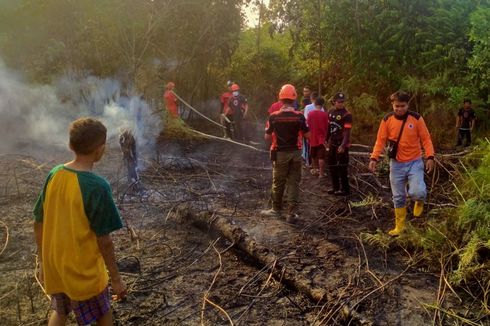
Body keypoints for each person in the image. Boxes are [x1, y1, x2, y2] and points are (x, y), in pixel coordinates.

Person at [33, 118, 127, 326]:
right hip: (83, 272)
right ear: (100, 150)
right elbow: (105, 241)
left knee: (60, 312)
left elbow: (38, 221)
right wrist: (116, 279)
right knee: (103, 313)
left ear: (70, 145)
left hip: (56, 266)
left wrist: (42, 261)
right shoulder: (97, 186)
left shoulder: (54, 174)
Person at [368, 91, 435, 236]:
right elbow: (380, 141)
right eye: (396, 106)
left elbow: (426, 139)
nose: (399, 109)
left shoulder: (416, 119)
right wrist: (374, 158)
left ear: (407, 105)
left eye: (402, 106)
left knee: (417, 191)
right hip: (396, 163)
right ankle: (400, 226)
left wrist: (430, 157)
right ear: (392, 104)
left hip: (414, 162)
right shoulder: (387, 120)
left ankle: (419, 200)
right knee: (398, 197)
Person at [261, 84, 310, 223]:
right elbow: (309, 135)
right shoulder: (300, 116)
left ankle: (276, 210)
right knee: (293, 182)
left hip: (280, 152)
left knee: (278, 181)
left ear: (280, 99)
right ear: (294, 98)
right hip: (295, 152)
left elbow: (267, 136)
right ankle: (291, 214)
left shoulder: (273, 117)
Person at [326, 92, 352, 196]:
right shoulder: (330, 112)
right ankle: (335, 187)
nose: (341, 104)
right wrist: (326, 139)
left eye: (342, 102)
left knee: (342, 167)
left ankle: (345, 189)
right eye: (339, 102)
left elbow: (347, 131)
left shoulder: (347, 114)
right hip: (332, 142)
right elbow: (329, 127)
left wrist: (343, 145)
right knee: (332, 166)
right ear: (334, 102)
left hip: (341, 143)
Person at [307, 97, 329, 178]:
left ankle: (315, 170)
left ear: (315, 104)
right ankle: (321, 173)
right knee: (321, 156)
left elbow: (308, 125)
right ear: (322, 105)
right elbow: (327, 127)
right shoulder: (325, 114)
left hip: (312, 138)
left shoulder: (310, 114)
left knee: (313, 155)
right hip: (321, 138)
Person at [302, 91, 320, 171]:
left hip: (309, 130)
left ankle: (308, 163)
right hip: (319, 130)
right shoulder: (321, 107)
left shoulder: (308, 107)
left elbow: (305, 119)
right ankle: (316, 165)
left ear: (311, 99)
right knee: (317, 147)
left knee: (307, 147)